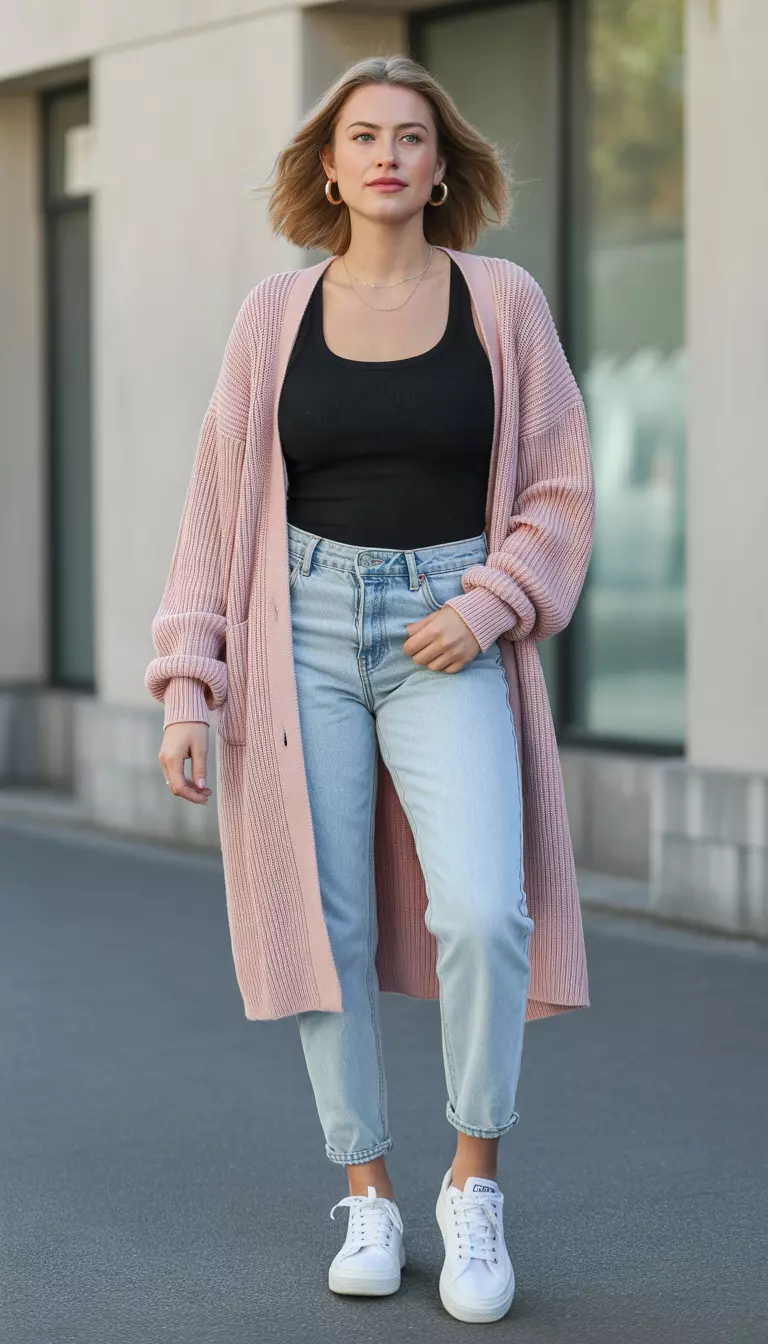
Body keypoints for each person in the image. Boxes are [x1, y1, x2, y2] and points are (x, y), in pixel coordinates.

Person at [145, 54, 594, 1326]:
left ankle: (473, 1181)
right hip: (299, 628)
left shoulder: (502, 300)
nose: (388, 154)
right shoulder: (270, 318)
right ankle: (368, 1191)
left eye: (411, 136)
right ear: (329, 168)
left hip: (448, 628)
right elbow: (220, 502)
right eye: (363, 136)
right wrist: (191, 680)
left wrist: (486, 604)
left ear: (442, 167)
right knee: (325, 928)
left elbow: (559, 491)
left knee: (483, 913)